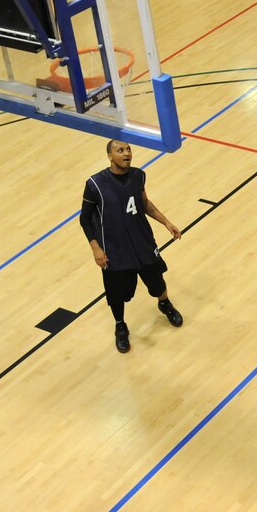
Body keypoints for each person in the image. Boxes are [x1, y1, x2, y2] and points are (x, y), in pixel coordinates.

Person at [80, 140, 183, 353]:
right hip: (114, 249)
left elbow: (144, 204)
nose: (126, 153)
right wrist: (96, 248)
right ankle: (120, 326)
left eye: (128, 149)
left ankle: (164, 304)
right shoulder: (95, 184)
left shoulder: (138, 176)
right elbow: (85, 219)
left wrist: (166, 222)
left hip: (142, 242)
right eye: (120, 150)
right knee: (116, 294)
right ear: (109, 156)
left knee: (156, 280)